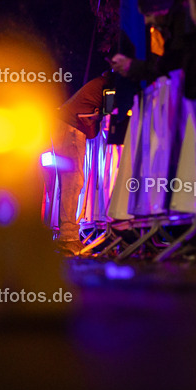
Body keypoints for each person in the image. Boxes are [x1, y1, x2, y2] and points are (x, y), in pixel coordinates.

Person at [110, 0, 196, 99]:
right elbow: (160, 65)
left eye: (148, 15)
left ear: (161, 10)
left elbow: (168, 65)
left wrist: (133, 66)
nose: (146, 22)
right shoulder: (166, 29)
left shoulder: (181, 24)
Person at [50, 72, 113, 256]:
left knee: (71, 182)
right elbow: (90, 123)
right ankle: (69, 239)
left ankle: (67, 236)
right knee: (73, 182)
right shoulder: (107, 87)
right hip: (69, 128)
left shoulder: (98, 85)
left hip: (65, 125)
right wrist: (98, 118)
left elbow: (90, 126)